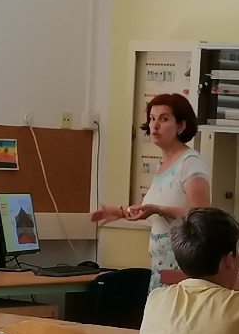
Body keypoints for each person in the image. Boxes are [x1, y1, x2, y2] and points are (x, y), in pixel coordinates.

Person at [90, 93, 210, 289]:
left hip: (183, 266)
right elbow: (153, 209)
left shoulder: (190, 162)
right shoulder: (163, 165)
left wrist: (158, 209)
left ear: (181, 125)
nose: (155, 126)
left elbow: (201, 214)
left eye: (164, 119)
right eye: (152, 119)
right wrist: (120, 212)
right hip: (160, 267)